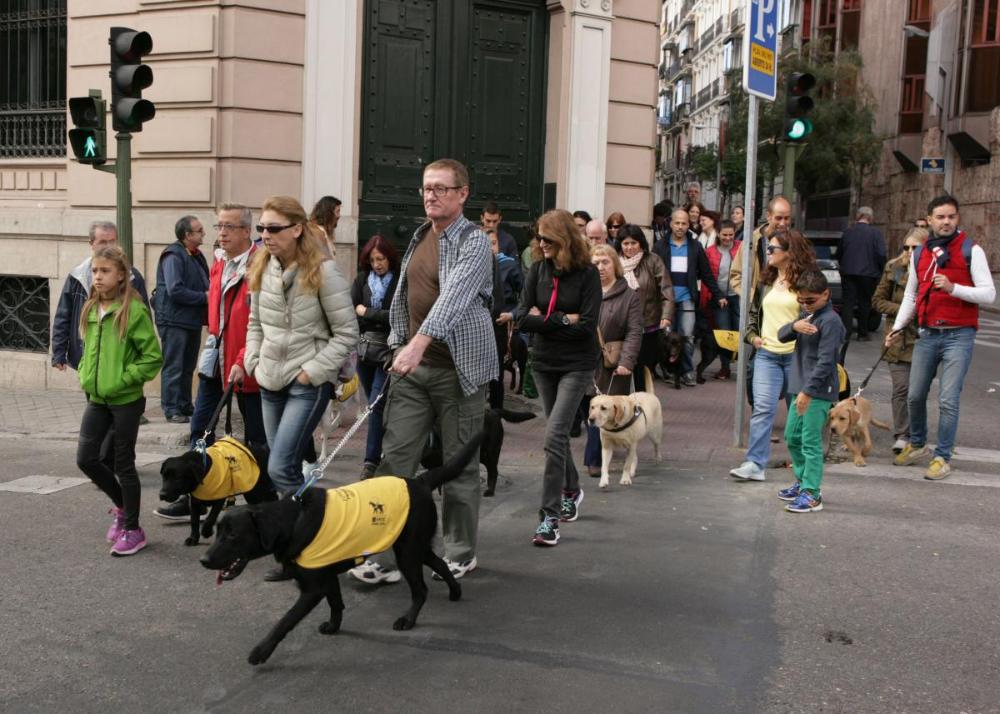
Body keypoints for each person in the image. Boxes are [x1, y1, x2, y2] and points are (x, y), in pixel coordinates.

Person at [350, 158, 496, 584]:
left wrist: (418, 343)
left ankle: (460, 552)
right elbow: (403, 297)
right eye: (427, 188)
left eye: (441, 188)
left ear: (463, 194)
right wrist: (399, 342)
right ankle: (383, 557)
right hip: (413, 373)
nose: (431, 195)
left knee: (459, 465)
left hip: (460, 372)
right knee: (394, 461)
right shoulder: (419, 236)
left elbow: (454, 297)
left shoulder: (473, 242)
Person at [153, 205, 265, 521]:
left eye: (229, 227)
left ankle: (261, 504)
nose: (222, 233)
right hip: (215, 361)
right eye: (219, 226)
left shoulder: (260, 265)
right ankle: (197, 498)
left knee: (257, 441)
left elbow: (260, 323)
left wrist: (242, 359)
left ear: (246, 231)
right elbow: (217, 316)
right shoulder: (218, 262)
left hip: (248, 366)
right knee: (201, 430)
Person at [245, 195, 357, 503]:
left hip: (307, 383)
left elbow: (347, 332)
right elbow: (255, 323)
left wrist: (312, 372)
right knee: (282, 468)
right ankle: (301, 526)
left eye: (274, 228)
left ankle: (322, 523)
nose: (265, 235)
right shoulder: (261, 266)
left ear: (296, 229)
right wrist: (253, 361)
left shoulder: (324, 271)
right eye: (261, 228)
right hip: (269, 379)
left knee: (280, 468)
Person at [889, 195, 996, 480]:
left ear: (957, 218)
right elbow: (911, 295)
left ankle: (942, 457)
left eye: (951, 216)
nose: (946, 222)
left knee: (948, 399)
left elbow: (989, 294)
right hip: (927, 334)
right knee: (914, 395)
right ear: (930, 220)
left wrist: (953, 288)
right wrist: (897, 329)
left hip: (959, 335)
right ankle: (918, 444)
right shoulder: (919, 253)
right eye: (940, 217)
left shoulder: (971, 250)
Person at [517, 209, 600, 546]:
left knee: (553, 436)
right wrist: (563, 319)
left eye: (547, 238)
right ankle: (573, 489)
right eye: (539, 238)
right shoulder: (537, 270)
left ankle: (549, 518)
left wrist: (544, 320)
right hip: (543, 362)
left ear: (564, 239)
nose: (541, 244)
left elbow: (587, 326)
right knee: (557, 436)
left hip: (577, 364)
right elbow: (521, 317)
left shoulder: (588, 275)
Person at [75, 245, 163, 556]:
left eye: (105, 271)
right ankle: (123, 508)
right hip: (97, 398)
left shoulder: (133, 311)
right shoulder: (90, 308)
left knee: (123, 464)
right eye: (95, 271)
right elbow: (88, 351)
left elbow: (152, 358)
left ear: (122, 275)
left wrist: (123, 379)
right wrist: (85, 373)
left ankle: (134, 530)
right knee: (86, 459)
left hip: (126, 400)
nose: (98, 277)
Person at [730, 230, 818, 481]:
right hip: (767, 355)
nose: (767, 252)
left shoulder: (806, 281)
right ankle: (755, 464)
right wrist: (752, 337)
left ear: (789, 253)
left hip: (796, 357)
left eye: (772, 249)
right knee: (762, 410)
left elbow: (817, 316)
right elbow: (754, 314)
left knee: (799, 414)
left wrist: (801, 326)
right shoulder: (766, 280)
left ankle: (805, 470)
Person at [775, 270, 846, 513]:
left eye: (810, 300)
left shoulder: (831, 321)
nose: (805, 304)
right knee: (793, 437)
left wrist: (807, 392)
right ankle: (803, 482)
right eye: (801, 299)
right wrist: (794, 326)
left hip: (816, 390)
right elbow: (781, 336)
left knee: (810, 441)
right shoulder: (808, 315)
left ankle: (812, 492)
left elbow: (826, 361)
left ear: (826, 294)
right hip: (801, 387)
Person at [52, 221, 149, 372]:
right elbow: (63, 315)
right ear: (92, 244)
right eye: (103, 242)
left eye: (112, 241)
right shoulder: (77, 276)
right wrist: (59, 352)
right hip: (87, 358)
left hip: (120, 359)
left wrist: (136, 368)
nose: (108, 247)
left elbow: (145, 322)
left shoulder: (132, 277)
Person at [583, 244, 642, 477]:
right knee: (587, 409)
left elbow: (634, 332)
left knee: (604, 411)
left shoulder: (629, 296)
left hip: (612, 364)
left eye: (605, 262)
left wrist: (626, 361)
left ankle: (595, 460)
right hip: (584, 360)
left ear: (615, 265)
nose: (600, 267)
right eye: (596, 263)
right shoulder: (584, 291)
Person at [872, 227, 928, 454]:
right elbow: (877, 300)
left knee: (918, 392)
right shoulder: (894, 268)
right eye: (907, 247)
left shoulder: (933, 270)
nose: (910, 251)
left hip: (923, 339)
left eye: (916, 247)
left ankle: (917, 434)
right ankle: (902, 434)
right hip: (897, 339)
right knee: (901, 389)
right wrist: (904, 310)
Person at [652, 209, 721, 386]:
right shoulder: (660, 246)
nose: (680, 226)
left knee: (688, 337)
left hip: (687, 298)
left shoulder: (695, 247)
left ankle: (687, 371)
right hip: (666, 300)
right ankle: (668, 369)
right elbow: (652, 273)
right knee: (666, 338)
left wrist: (718, 294)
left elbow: (706, 273)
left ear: (689, 225)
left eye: (684, 223)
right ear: (671, 224)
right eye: (677, 223)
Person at [351, 234, 400, 480]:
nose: (377, 264)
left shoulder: (399, 281)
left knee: (375, 404)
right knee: (376, 408)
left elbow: (396, 316)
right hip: (364, 351)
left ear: (389, 258)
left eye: (381, 259)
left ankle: (370, 462)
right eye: (372, 260)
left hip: (387, 352)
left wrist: (367, 312)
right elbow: (352, 310)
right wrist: (369, 316)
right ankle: (382, 449)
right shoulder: (362, 279)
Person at [154, 215, 210, 423]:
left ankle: (185, 405)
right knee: (174, 366)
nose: (203, 234)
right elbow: (175, 289)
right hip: (174, 320)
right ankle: (172, 408)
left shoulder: (195, 255)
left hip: (190, 319)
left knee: (188, 366)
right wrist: (204, 297)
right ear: (187, 235)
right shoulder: (173, 255)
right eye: (199, 230)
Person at [618, 224, 674, 392]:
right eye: (625, 243)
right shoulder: (614, 261)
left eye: (633, 243)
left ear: (641, 243)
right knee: (621, 366)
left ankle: (642, 401)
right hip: (620, 323)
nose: (629, 247)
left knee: (642, 367)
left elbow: (666, 289)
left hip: (647, 324)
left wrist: (666, 315)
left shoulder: (653, 260)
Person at [838, 206, 887, 345]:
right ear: (870, 218)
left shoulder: (848, 232)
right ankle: (862, 333)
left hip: (848, 272)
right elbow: (881, 254)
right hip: (868, 274)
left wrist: (844, 266)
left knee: (848, 303)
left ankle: (845, 334)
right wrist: (881, 269)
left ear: (857, 216)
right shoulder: (876, 233)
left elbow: (839, 252)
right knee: (865, 303)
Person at [700, 219, 741, 380]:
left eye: (731, 234)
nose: (728, 238)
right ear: (718, 233)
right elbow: (708, 276)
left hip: (737, 295)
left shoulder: (742, 248)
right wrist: (717, 296)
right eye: (724, 235)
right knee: (725, 333)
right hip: (719, 298)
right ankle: (725, 367)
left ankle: (741, 365)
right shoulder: (710, 252)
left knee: (739, 330)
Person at [730, 195, 792, 301]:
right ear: (768, 216)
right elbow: (736, 275)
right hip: (758, 305)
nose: (782, 223)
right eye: (778, 218)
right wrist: (752, 296)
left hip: (784, 304)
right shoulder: (751, 240)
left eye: (786, 218)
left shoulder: (794, 241)